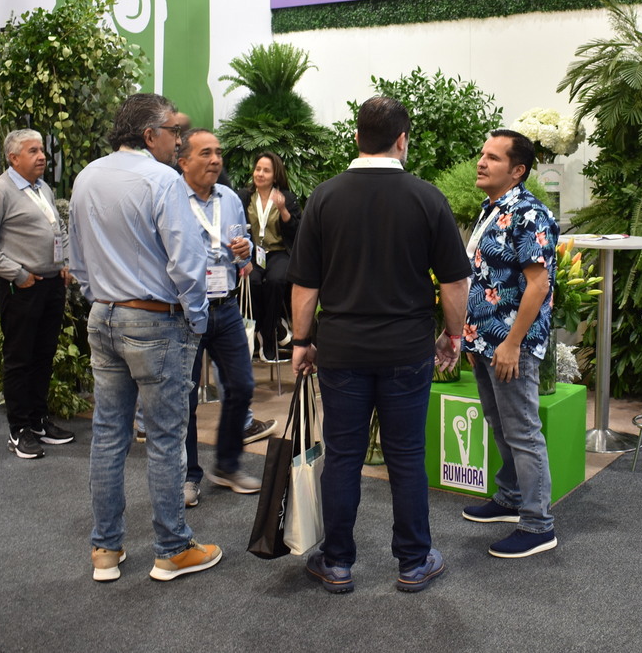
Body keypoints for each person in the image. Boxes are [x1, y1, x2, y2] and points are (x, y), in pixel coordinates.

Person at [288, 96, 470, 595]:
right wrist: (453, 335)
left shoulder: (324, 198)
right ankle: (413, 561)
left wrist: (301, 341)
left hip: (341, 349)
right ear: (402, 140)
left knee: (343, 455)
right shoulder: (427, 198)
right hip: (406, 349)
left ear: (356, 138)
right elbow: (455, 282)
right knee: (406, 455)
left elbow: (305, 284)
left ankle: (337, 562)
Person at [70, 93, 220, 583]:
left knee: (108, 436)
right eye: (174, 132)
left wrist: (104, 298)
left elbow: (77, 259)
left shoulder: (87, 176)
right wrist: (196, 317)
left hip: (104, 317)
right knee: (165, 438)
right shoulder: (163, 180)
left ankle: (105, 550)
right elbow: (187, 261)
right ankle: (172, 548)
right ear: (150, 134)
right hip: (156, 322)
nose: (179, 141)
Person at [460, 130, 560, 559]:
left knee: (522, 430)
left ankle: (538, 524)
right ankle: (511, 497)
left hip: (510, 345)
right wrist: (471, 335)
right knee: (499, 423)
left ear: (517, 171)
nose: (481, 162)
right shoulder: (493, 208)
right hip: (485, 340)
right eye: (482, 154)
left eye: (493, 158)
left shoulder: (529, 214)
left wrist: (512, 343)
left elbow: (538, 285)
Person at [0, 129, 75, 460]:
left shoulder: (42, 188)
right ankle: (19, 429)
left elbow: (57, 229)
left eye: (41, 149)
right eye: (33, 151)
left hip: (51, 284)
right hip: (22, 287)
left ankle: (38, 421)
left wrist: (65, 262)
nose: (42, 156)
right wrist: (17, 273)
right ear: (13, 158)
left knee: (43, 356)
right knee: (19, 359)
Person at [176, 128, 267, 509]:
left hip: (226, 307)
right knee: (184, 399)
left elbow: (245, 251)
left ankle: (227, 465)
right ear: (183, 162)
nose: (216, 159)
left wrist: (246, 251)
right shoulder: (171, 200)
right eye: (206, 153)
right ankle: (187, 475)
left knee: (242, 386)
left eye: (218, 152)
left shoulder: (229, 198)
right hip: (185, 310)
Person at [237, 151, 302, 361]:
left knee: (276, 280)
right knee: (253, 281)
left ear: (275, 175)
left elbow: (297, 232)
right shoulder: (244, 197)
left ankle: (268, 334)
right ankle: (272, 328)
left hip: (278, 252)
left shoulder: (286, 198)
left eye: (266, 170)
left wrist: (283, 210)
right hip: (253, 252)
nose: (260, 174)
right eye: (258, 169)